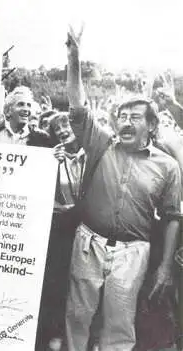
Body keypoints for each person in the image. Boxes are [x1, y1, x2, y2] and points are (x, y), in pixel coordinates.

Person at [65, 26, 181, 351]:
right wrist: (74, 59)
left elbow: (173, 217)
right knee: (77, 318)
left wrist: (165, 266)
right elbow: (78, 109)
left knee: (119, 327)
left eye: (135, 117)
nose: (126, 122)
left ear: (152, 126)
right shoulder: (101, 144)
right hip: (88, 244)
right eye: (121, 116)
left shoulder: (167, 166)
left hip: (133, 253)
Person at [37, 112, 85, 351]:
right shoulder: (54, 158)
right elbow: (43, 194)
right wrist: (49, 165)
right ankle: (56, 337)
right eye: (57, 128)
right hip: (65, 231)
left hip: (93, 230)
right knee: (61, 285)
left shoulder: (94, 153)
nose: (63, 130)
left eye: (66, 124)